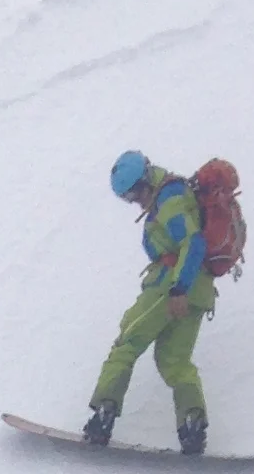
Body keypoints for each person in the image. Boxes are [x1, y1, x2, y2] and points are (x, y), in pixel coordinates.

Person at [84, 150, 214, 455]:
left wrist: (178, 288)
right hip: (200, 291)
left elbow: (193, 242)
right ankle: (192, 428)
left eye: (133, 194)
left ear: (145, 181)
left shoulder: (168, 200)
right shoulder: (174, 194)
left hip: (171, 287)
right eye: (127, 198)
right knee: (174, 362)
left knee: (127, 343)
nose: (134, 202)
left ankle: (103, 417)